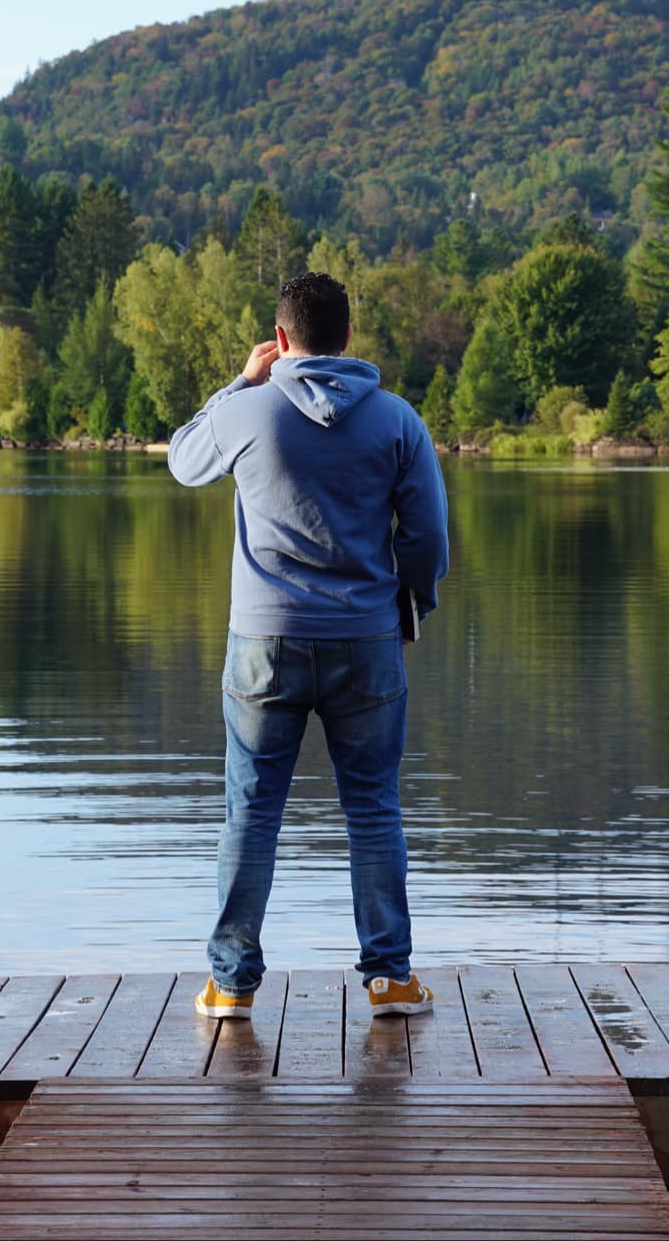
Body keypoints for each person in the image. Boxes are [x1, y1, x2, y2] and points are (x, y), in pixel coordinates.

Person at [168, 271, 449, 1019]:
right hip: (367, 641)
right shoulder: (396, 420)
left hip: (265, 643)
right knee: (374, 808)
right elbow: (427, 535)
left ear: (281, 339)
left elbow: (183, 460)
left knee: (251, 812)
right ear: (349, 337)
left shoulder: (248, 412)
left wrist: (240, 380)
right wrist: (409, 607)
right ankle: (389, 978)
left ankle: (230, 985)